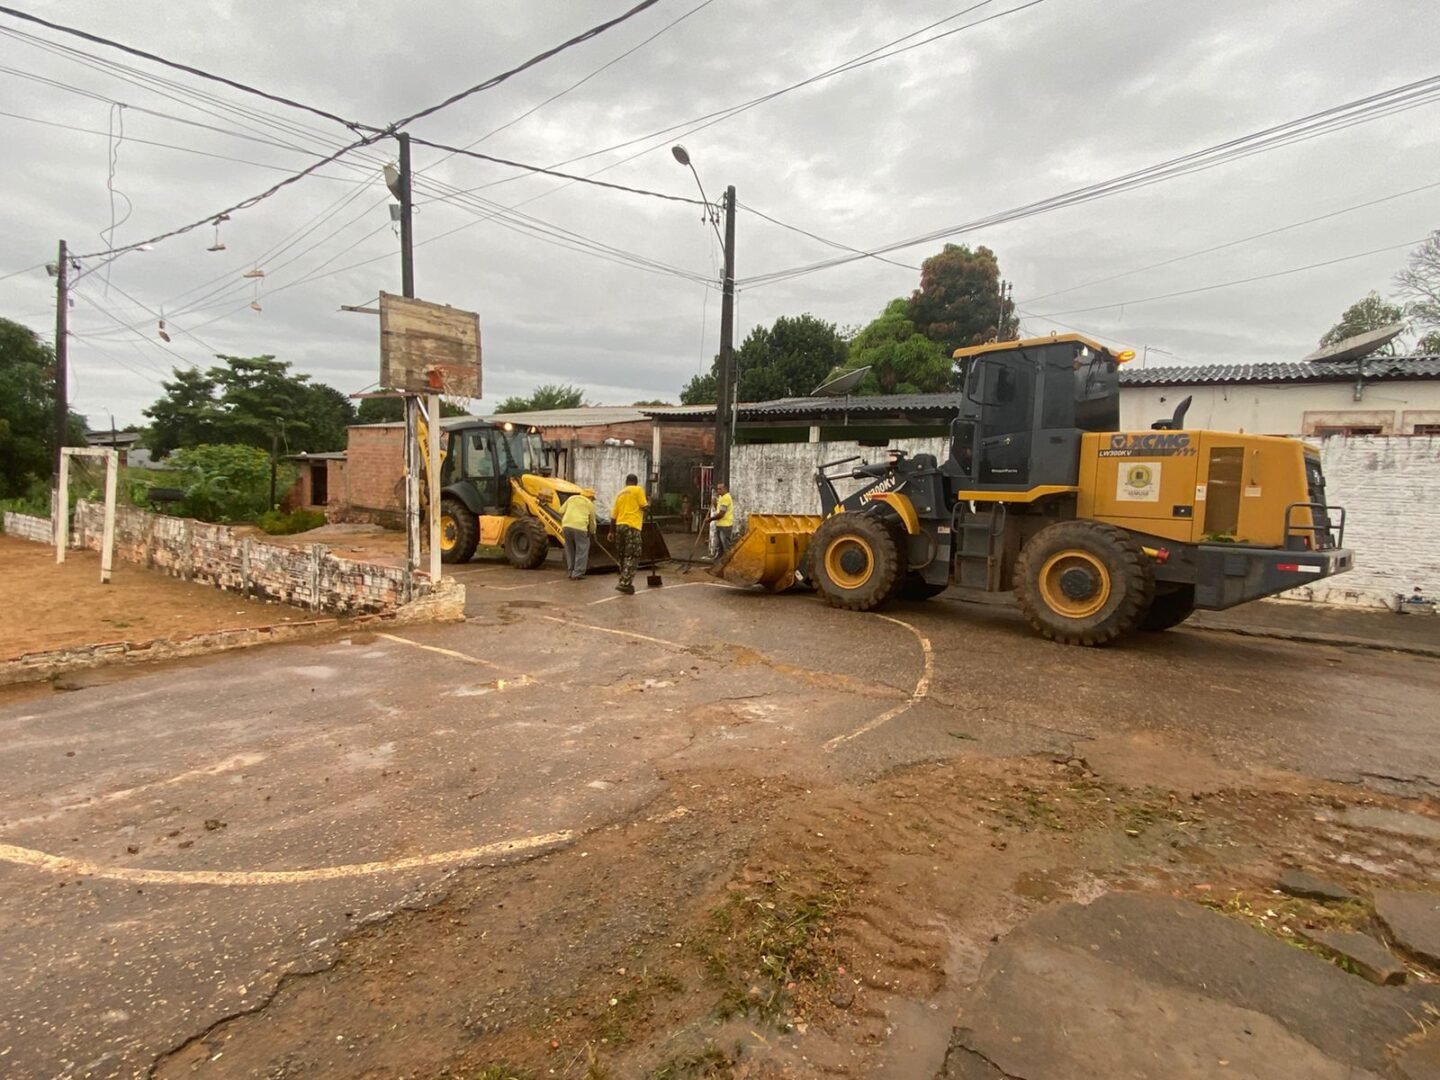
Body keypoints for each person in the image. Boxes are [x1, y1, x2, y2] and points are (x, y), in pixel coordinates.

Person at [608, 473, 648, 594]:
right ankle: (625, 583)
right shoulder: (638, 490)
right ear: (635, 482)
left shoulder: (620, 494)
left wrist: (611, 531)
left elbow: (613, 515)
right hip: (632, 526)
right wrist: (649, 504)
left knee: (622, 554)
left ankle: (623, 578)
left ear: (626, 482)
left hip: (619, 526)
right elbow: (644, 506)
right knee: (633, 555)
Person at [560, 490, 597, 580]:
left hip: (566, 526)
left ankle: (570, 571)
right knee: (582, 549)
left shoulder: (571, 498)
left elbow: (561, 511)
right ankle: (577, 573)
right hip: (580, 527)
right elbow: (592, 522)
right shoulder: (589, 504)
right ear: (590, 497)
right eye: (593, 499)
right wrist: (593, 533)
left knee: (570, 549)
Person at [707, 481, 735, 554]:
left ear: (725, 489)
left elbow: (721, 514)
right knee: (720, 546)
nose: (718, 491)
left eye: (720, 489)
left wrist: (710, 519)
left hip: (725, 526)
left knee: (726, 546)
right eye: (718, 489)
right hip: (720, 524)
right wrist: (715, 503)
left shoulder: (726, 497)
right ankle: (721, 562)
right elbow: (718, 510)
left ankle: (729, 562)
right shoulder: (721, 497)